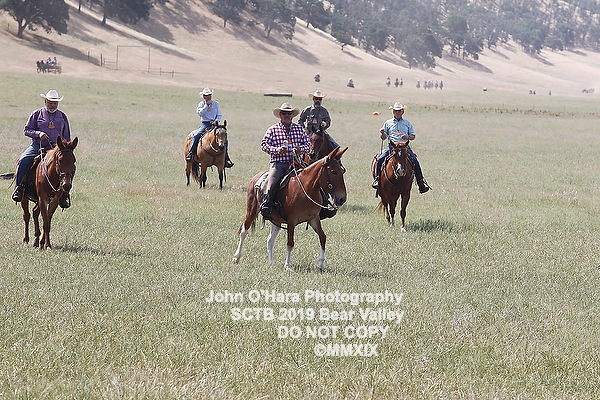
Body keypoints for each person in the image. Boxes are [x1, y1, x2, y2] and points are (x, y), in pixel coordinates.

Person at [12, 90, 73, 208]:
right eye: (50, 102)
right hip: (38, 146)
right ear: (45, 102)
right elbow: (27, 130)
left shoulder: (62, 116)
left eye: (55, 103)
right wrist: (38, 134)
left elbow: (67, 137)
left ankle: (64, 194)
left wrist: (65, 148)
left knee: (71, 167)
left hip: (57, 149)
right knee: (23, 160)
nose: (53, 105)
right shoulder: (36, 114)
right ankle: (19, 188)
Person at [259, 103, 310, 218]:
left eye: (289, 113)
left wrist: (300, 149)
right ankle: (267, 204)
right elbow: (264, 145)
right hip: (279, 163)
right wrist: (277, 150)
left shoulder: (299, 129)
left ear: (292, 115)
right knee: (271, 182)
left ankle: (322, 203)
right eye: (284, 113)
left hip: (297, 163)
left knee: (315, 176)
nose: (287, 115)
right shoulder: (273, 129)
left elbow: (308, 145)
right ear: (280, 115)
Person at [372, 102, 430, 194]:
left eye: (399, 111)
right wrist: (382, 133)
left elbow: (413, 136)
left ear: (402, 112)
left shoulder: (407, 123)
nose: (397, 112)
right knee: (380, 159)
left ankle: (421, 184)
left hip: (404, 147)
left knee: (415, 161)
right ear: (393, 112)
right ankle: (377, 180)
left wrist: (407, 137)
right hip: (392, 147)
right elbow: (384, 137)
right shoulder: (388, 123)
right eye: (396, 111)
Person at [186, 87, 234, 167]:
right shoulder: (201, 104)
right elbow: (200, 113)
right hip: (205, 124)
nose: (208, 97)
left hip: (215, 124)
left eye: (209, 95)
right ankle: (191, 153)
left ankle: (225, 157)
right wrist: (206, 106)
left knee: (224, 139)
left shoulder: (216, 104)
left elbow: (219, 114)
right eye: (206, 95)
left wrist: (216, 121)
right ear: (204, 96)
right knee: (196, 135)